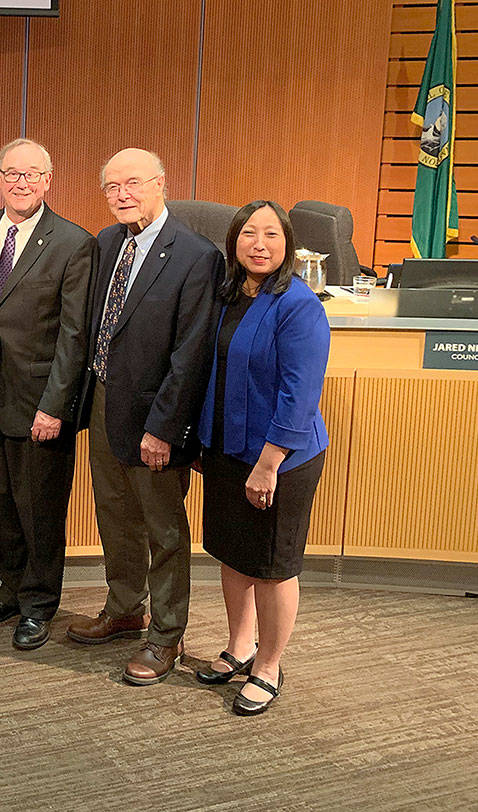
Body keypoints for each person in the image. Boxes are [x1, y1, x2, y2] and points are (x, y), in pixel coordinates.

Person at [67, 148, 224, 686]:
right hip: (105, 402)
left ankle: (166, 635)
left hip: (156, 415)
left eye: (132, 183)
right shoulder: (108, 242)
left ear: (161, 183)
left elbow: (191, 354)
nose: (122, 195)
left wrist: (164, 428)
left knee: (163, 528)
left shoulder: (197, 255)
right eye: (111, 187)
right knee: (114, 514)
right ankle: (125, 606)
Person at [194, 200, 330, 716]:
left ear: (287, 244)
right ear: (234, 241)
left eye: (271, 234)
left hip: (280, 459)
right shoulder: (229, 294)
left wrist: (269, 462)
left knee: (272, 566)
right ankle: (240, 646)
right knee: (234, 555)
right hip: (227, 450)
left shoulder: (299, 304)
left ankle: (269, 665)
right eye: (249, 233)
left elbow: (300, 394)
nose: (259, 244)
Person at [0, 139, 95, 650]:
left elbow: (74, 335)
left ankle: (39, 604)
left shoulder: (72, 242)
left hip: (39, 401)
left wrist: (55, 405)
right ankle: (11, 586)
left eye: (33, 174)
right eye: (12, 173)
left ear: (49, 181)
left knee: (39, 509)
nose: (22, 183)